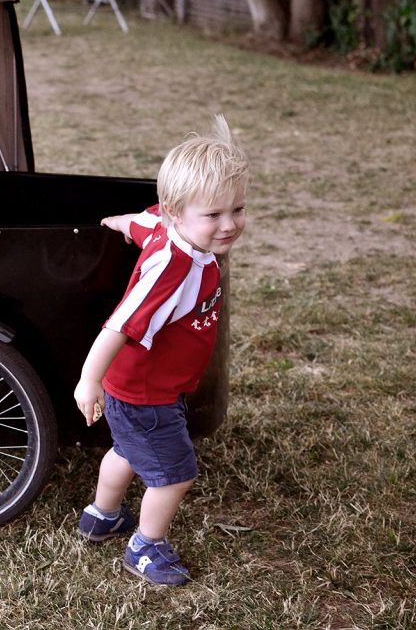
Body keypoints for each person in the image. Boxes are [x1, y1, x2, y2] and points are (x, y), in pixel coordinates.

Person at [73, 115, 249, 586]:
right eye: (213, 215)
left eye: (237, 209)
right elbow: (118, 326)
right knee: (173, 473)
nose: (229, 225)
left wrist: (117, 221)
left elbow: (141, 223)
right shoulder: (174, 269)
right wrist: (88, 381)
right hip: (146, 392)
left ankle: (101, 516)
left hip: (142, 386)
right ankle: (146, 547)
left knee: (127, 451)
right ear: (177, 212)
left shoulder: (163, 226)